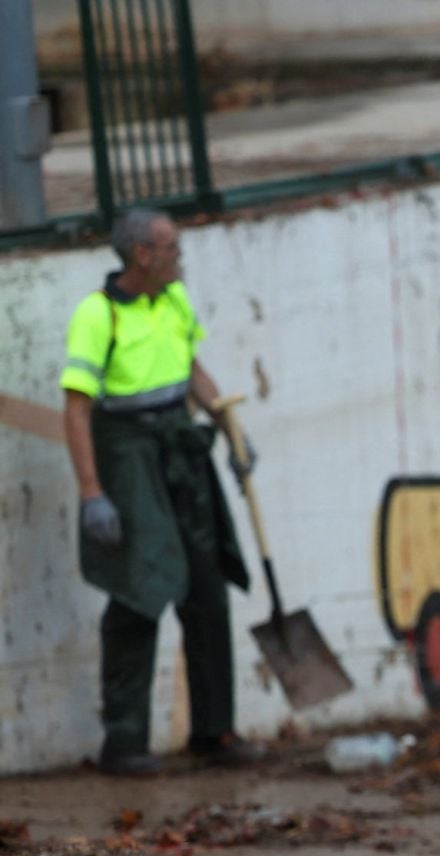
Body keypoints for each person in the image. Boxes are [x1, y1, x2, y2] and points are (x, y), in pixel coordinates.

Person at [59, 208, 262, 777]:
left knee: (207, 585)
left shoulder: (173, 299)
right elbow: (76, 410)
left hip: (179, 442)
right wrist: (92, 491)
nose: (180, 255)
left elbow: (193, 371)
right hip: (127, 448)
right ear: (142, 256)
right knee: (139, 589)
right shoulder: (97, 317)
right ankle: (124, 742)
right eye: (172, 247)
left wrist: (231, 431)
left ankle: (214, 731)